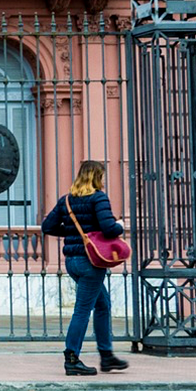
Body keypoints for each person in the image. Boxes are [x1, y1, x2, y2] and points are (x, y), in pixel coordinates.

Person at [40, 159, 131, 377]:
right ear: (97, 177)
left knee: (103, 304)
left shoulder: (67, 201)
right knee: (82, 310)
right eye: (102, 176)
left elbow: (47, 226)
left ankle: (106, 355)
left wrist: (73, 234)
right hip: (91, 262)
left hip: (72, 262)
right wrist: (120, 226)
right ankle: (72, 358)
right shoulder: (99, 198)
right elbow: (109, 229)